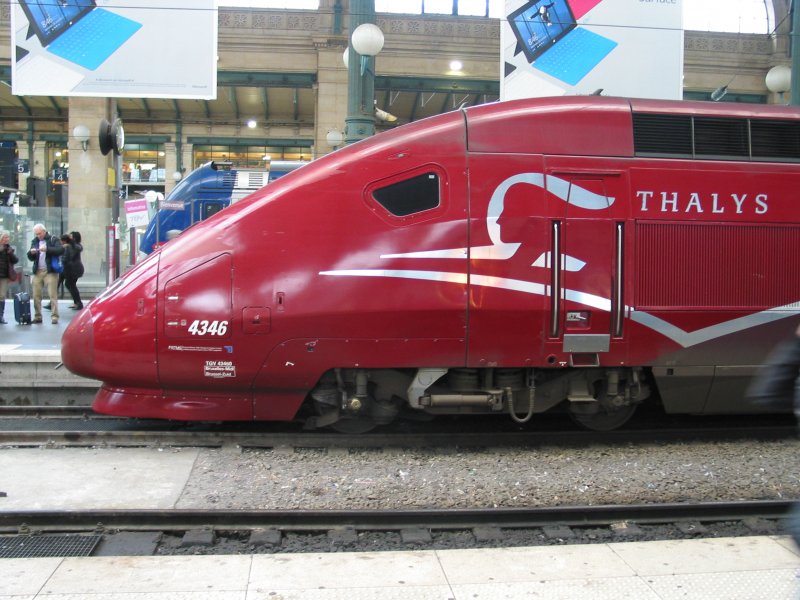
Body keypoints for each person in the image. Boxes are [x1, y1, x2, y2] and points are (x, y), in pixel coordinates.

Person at [26, 223, 63, 325]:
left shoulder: (52, 239)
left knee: (52, 295)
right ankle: (38, 316)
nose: (38, 236)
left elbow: (60, 250)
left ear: (44, 231)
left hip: (50, 271)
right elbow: (30, 257)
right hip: (38, 271)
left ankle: (54, 316)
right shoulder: (35, 241)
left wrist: (47, 249)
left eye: (39, 233)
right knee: (36, 295)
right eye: (36, 234)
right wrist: (31, 253)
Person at [60, 232, 84, 310]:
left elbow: (68, 256)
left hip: (74, 269)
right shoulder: (70, 246)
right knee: (68, 284)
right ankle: (76, 302)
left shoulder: (75, 246)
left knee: (71, 285)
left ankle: (78, 303)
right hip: (70, 269)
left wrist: (69, 245)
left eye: (71, 236)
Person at [0, 229, 19, 324]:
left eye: (8, 237)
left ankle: (0, 316)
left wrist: (10, 253)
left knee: (2, 295)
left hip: (4, 275)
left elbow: (16, 260)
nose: (7, 239)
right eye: (5, 237)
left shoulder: (8, 249)